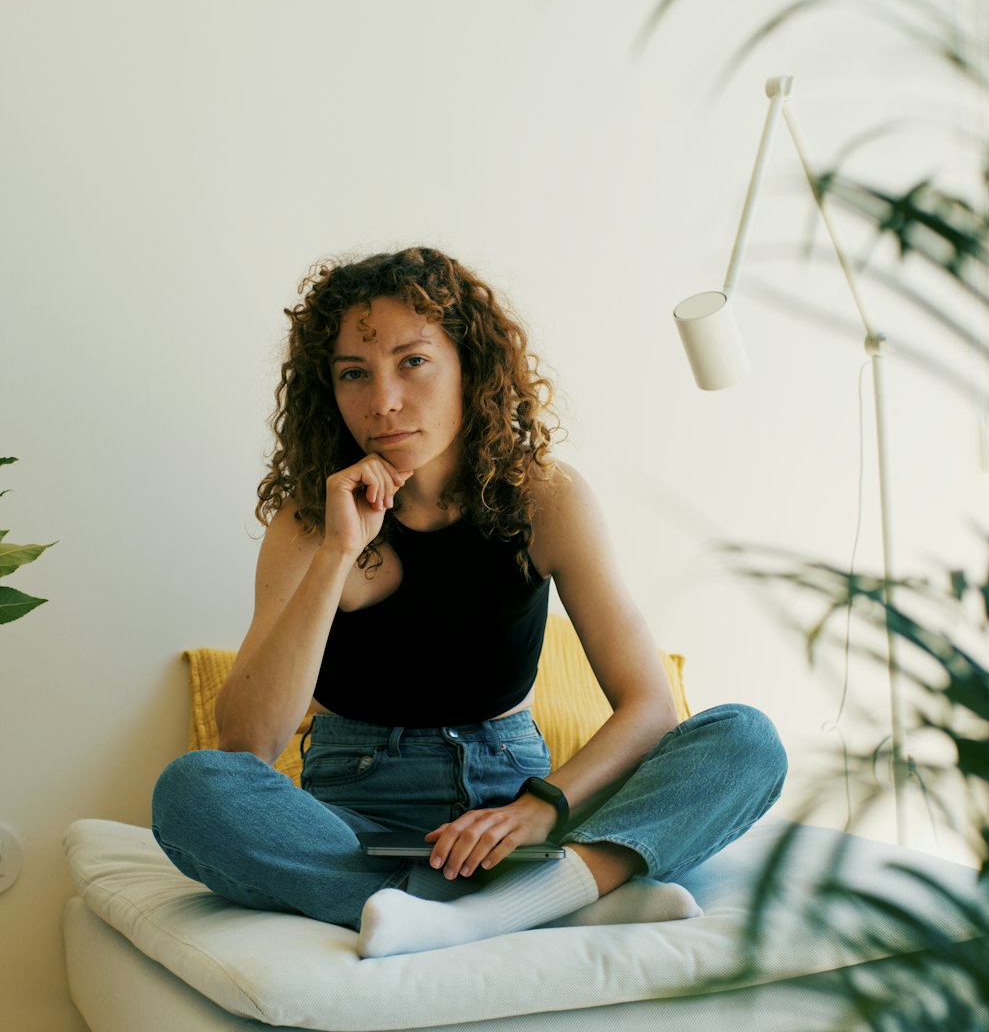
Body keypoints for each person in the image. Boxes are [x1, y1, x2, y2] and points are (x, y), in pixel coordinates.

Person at [152, 245, 787, 958]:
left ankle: (491, 896)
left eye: (413, 361)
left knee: (745, 740)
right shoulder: (308, 524)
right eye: (354, 374)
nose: (383, 402)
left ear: (469, 367)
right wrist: (336, 553)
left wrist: (538, 810)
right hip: (359, 818)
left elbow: (648, 705)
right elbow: (246, 744)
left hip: (520, 803)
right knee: (191, 791)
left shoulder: (546, 500)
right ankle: (554, 897)